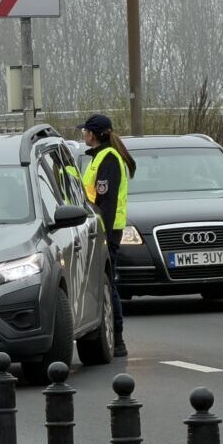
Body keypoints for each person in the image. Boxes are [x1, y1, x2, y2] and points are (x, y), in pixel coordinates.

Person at [79, 114, 137, 358]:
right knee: (105, 282)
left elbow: (106, 201)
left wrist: (101, 233)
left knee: (108, 284)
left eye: (85, 131)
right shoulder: (100, 156)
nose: (83, 135)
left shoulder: (109, 158)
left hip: (107, 231)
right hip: (102, 229)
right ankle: (113, 337)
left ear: (92, 134)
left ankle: (118, 338)